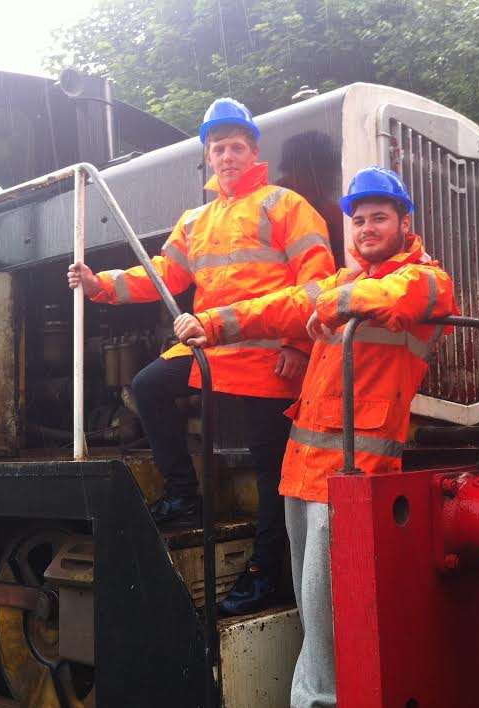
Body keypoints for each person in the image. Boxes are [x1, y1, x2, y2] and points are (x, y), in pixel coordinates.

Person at [174, 166, 458, 708]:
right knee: (314, 609)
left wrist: (326, 308)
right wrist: (210, 323)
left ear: (404, 223)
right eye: (359, 220)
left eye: (380, 217)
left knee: (331, 613)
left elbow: (397, 298)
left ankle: (320, 702)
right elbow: (279, 306)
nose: (368, 227)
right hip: (303, 472)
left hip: (353, 478)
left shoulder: (426, 277)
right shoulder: (345, 281)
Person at [68, 97, 335, 615]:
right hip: (210, 348)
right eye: (219, 148)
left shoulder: (286, 205)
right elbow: (166, 276)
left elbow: (317, 284)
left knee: (270, 471)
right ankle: (182, 493)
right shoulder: (195, 220)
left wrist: (299, 347)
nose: (228, 156)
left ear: (253, 151)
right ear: (208, 158)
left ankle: (265, 573)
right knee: (147, 385)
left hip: (268, 359)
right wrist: (101, 284)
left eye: (236, 146)